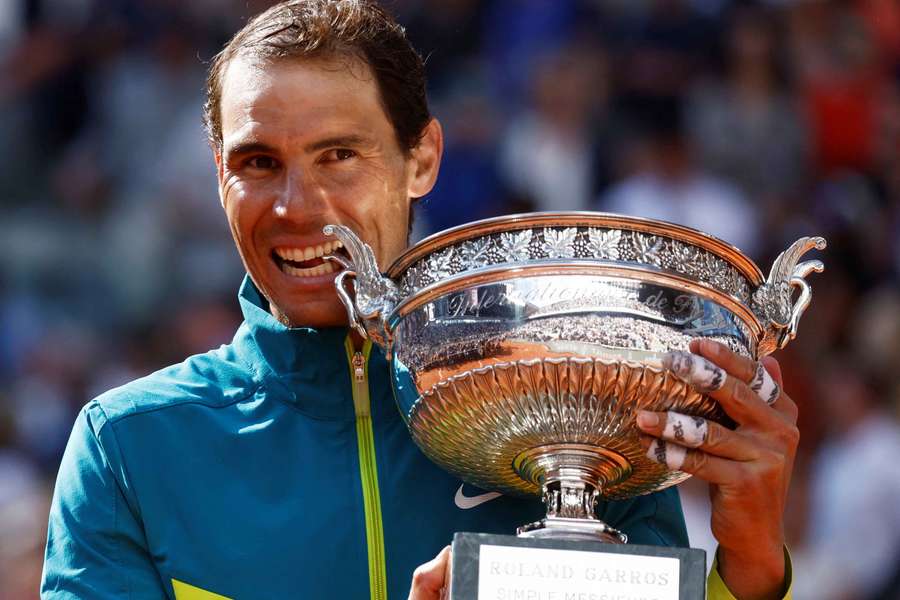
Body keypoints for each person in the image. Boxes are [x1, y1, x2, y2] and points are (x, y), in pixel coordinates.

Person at [41, 2, 798, 599]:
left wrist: (754, 567)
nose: (298, 206)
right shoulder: (131, 452)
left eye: (338, 155)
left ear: (422, 158)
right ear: (218, 177)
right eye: (259, 163)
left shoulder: (581, 402)